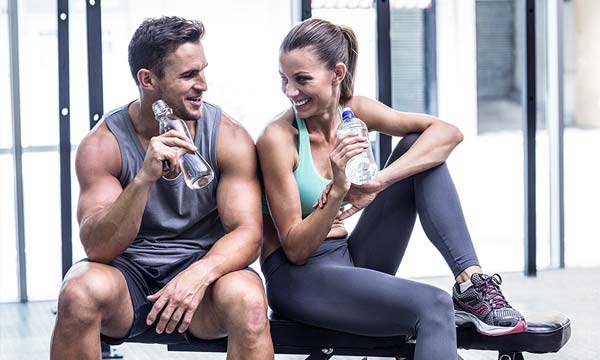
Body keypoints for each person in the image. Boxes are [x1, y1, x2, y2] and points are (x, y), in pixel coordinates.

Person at [257, 18, 526, 360]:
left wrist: (378, 182)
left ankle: (470, 283)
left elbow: (448, 133)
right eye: (285, 79)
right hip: (299, 278)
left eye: (302, 79)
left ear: (337, 74)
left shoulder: (356, 111)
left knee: (420, 147)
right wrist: (339, 188)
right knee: (432, 305)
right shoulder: (278, 139)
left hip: (351, 258)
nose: (290, 91)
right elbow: (295, 249)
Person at [50, 16, 273, 360]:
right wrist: (142, 179)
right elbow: (98, 248)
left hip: (204, 277)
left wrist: (198, 275)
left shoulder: (228, 137)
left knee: (250, 301)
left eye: (202, 70)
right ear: (148, 79)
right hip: (128, 280)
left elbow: (247, 233)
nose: (203, 84)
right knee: (77, 292)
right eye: (188, 75)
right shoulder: (103, 144)